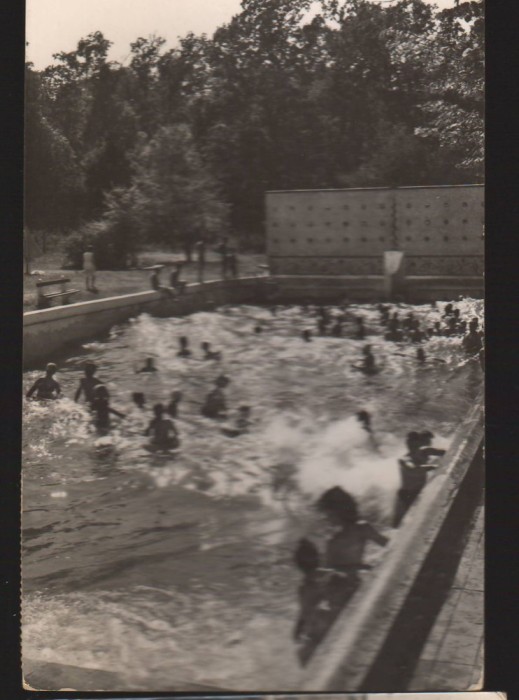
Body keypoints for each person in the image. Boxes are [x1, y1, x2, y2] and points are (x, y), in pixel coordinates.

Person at [317, 487, 388, 610]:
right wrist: (363, 567)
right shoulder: (332, 539)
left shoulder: (361, 528)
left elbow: (389, 544)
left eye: (329, 514)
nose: (327, 518)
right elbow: (328, 569)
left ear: (340, 510)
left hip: (353, 588)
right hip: (338, 592)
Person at [392, 431, 444, 527]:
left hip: (420, 492)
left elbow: (446, 452)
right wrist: (434, 466)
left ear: (419, 442)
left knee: (421, 522)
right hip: (406, 496)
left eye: (414, 442)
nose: (411, 445)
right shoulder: (404, 459)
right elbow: (414, 469)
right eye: (409, 443)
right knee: (398, 526)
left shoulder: (425, 451)